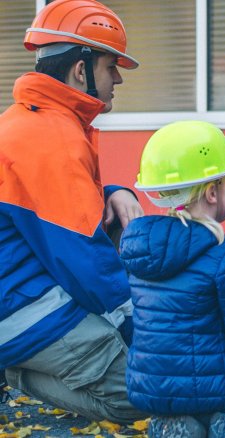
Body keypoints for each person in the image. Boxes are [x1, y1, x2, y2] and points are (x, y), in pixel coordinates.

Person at [0, 0, 145, 424]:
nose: (117, 77)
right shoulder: (53, 136)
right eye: (109, 65)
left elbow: (59, 212)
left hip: (17, 294)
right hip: (22, 310)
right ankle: (18, 372)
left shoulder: (33, 121)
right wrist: (145, 336)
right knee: (147, 392)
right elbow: (87, 261)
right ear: (80, 71)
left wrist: (115, 192)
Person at [122, 121, 225, 438]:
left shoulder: (140, 252)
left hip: (155, 390)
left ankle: (177, 423)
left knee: (191, 395)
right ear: (213, 192)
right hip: (224, 390)